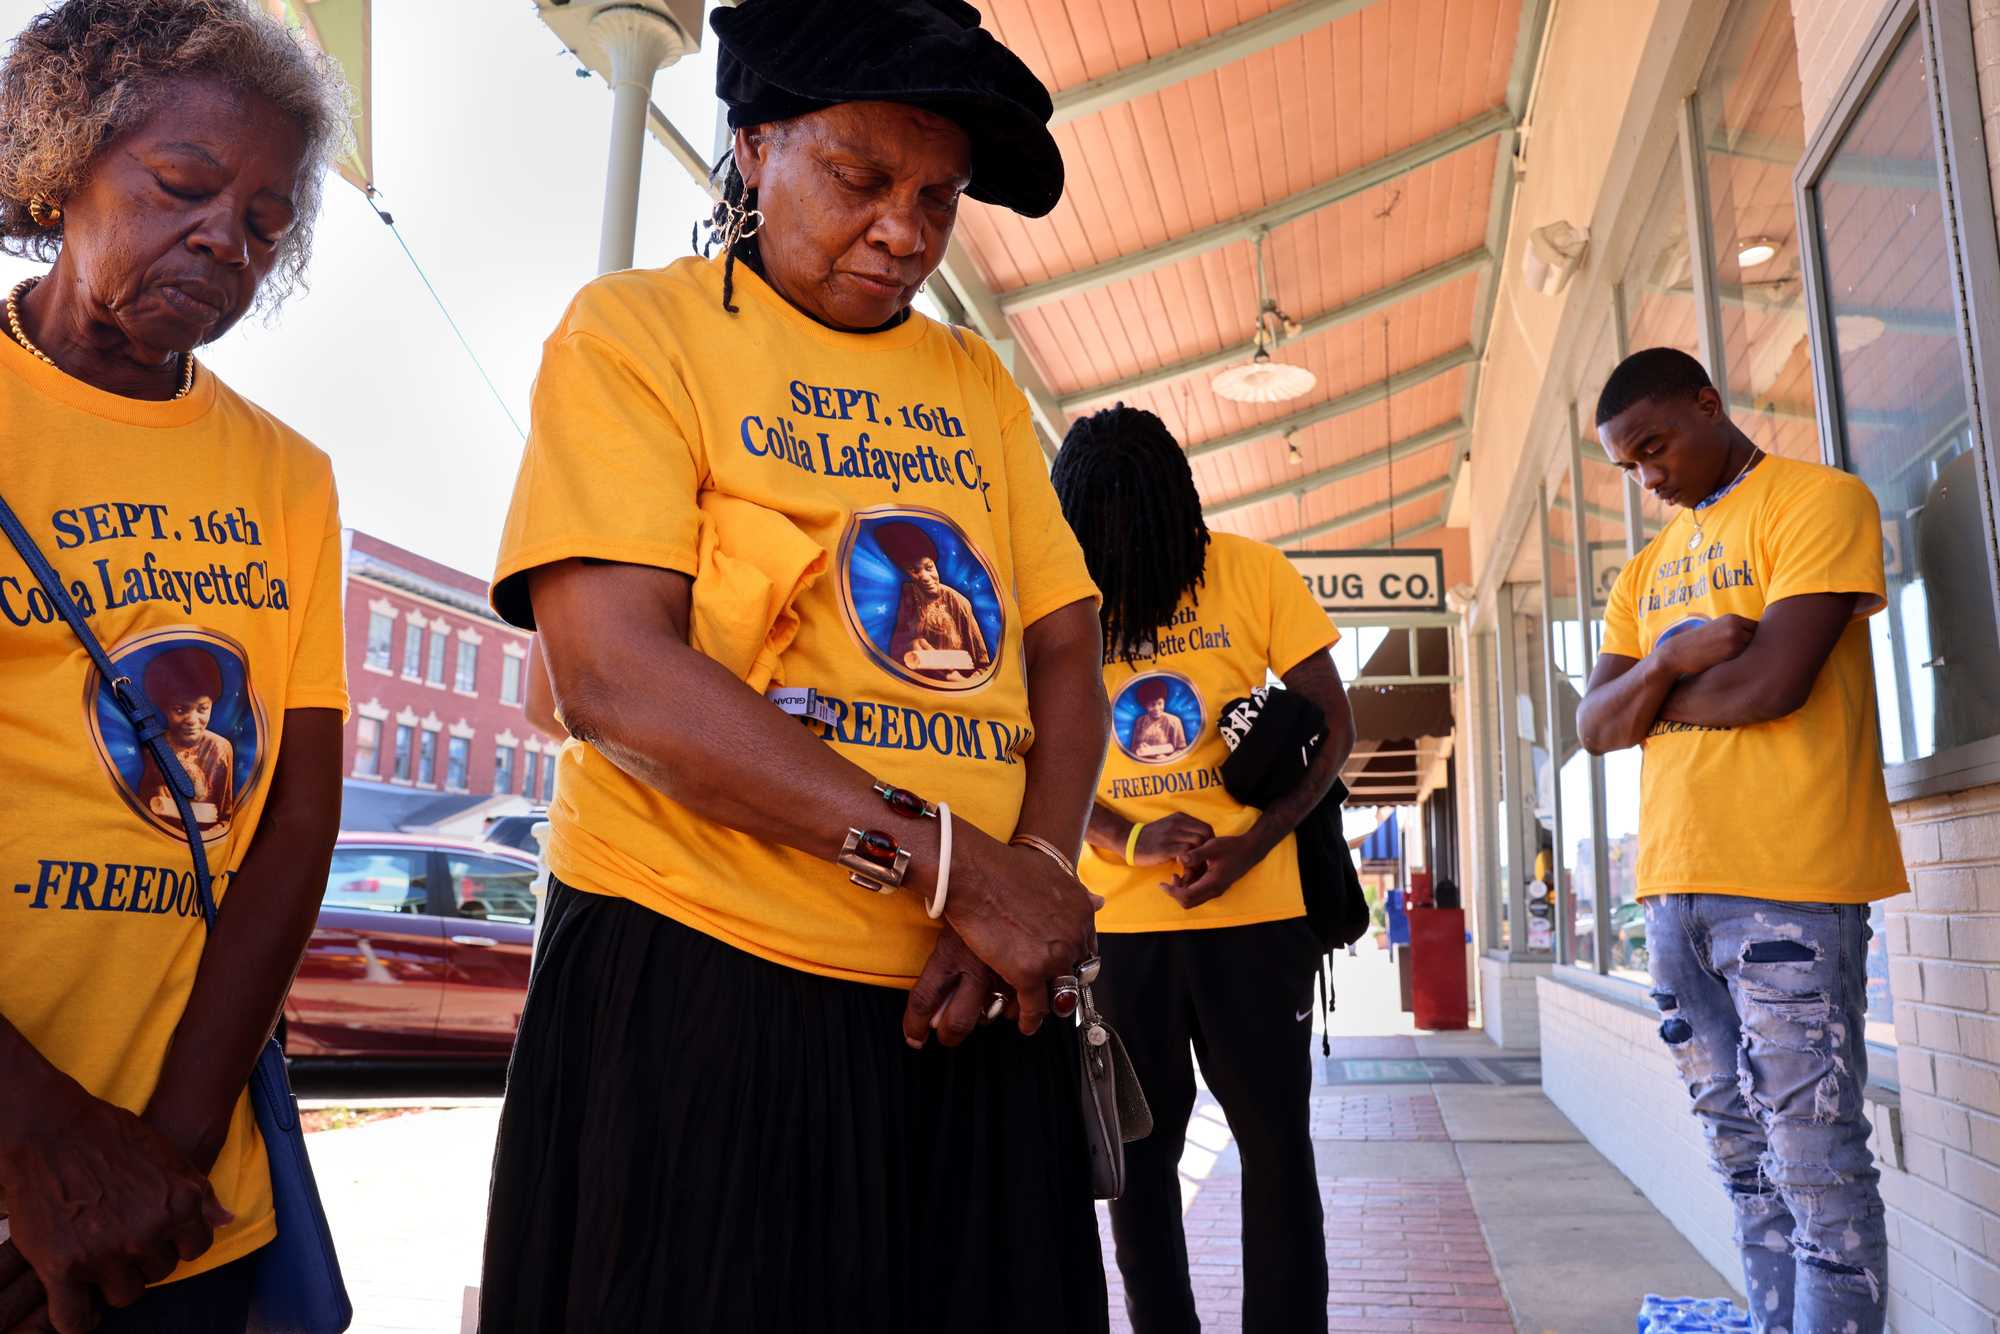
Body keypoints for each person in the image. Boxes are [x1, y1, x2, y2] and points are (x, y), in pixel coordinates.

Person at [477, 1, 1110, 1328]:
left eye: (939, 196)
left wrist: (1031, 880)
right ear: (756, 144)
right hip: (705, 983)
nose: (905, 231)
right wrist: (953, 863)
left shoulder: (976, 382)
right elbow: (612, 675)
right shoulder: (635, 337)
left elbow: (1061, 644)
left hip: (971, 991)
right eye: (862, 178)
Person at [0, 3, 351, 1332]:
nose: (223, 236)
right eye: (185, 186)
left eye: (263, 224)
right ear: (61, 160)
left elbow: (297, 817)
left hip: (182, 1202)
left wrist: (168, 1150)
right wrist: (39, 1136)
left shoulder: (288, 477)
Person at [1576, 347, 1907, 1334]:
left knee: (1813, 1165)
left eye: (1653, 445)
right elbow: (1593, 727)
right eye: (1627, 465)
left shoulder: (1816, 501)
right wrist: (1673, 657)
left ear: (1706, 405)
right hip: (1670, 889)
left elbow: (1774, 684)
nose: (1647, 477)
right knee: (1741, 1161)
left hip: (1787, 879)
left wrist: (1646, 695)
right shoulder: (1645, 572)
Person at [1053, 404, 1355, 1334]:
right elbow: (1035, 757)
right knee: (1139, 1172)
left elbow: (1334, 729)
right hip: (1119, 937)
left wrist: (1254, 845)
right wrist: (1131, 841)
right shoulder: (1062, 596)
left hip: (1261, 928)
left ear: (1174, 514)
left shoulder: (1252, 572)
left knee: (1276, 1158)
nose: (1114, 562)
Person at [135, 647, 237, 837]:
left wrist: (216, 831)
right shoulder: (151, 749)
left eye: (202, 709)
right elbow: (142, 806)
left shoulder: (220, 749)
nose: (192, 719)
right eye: (180, 710)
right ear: (164, 707)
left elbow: (225, 814)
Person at [877, 519, 992, 682]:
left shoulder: (959, 603)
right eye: (914, 570)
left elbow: (983, 666)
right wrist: (911, 647)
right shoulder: (908, 595)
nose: (924, 577)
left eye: (929, 567)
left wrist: (959, 681)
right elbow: (895, 652)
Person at [1126, 679, 1187, 760]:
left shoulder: (1174, 721)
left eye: (1160, 703)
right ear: (1145, 705)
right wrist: (1139, 748)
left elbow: (1182, 750)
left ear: (1164, 702)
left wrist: (1166, 759)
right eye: (1152, 705)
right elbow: (1133, 749)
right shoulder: (1140, 721)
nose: (1157, 708)